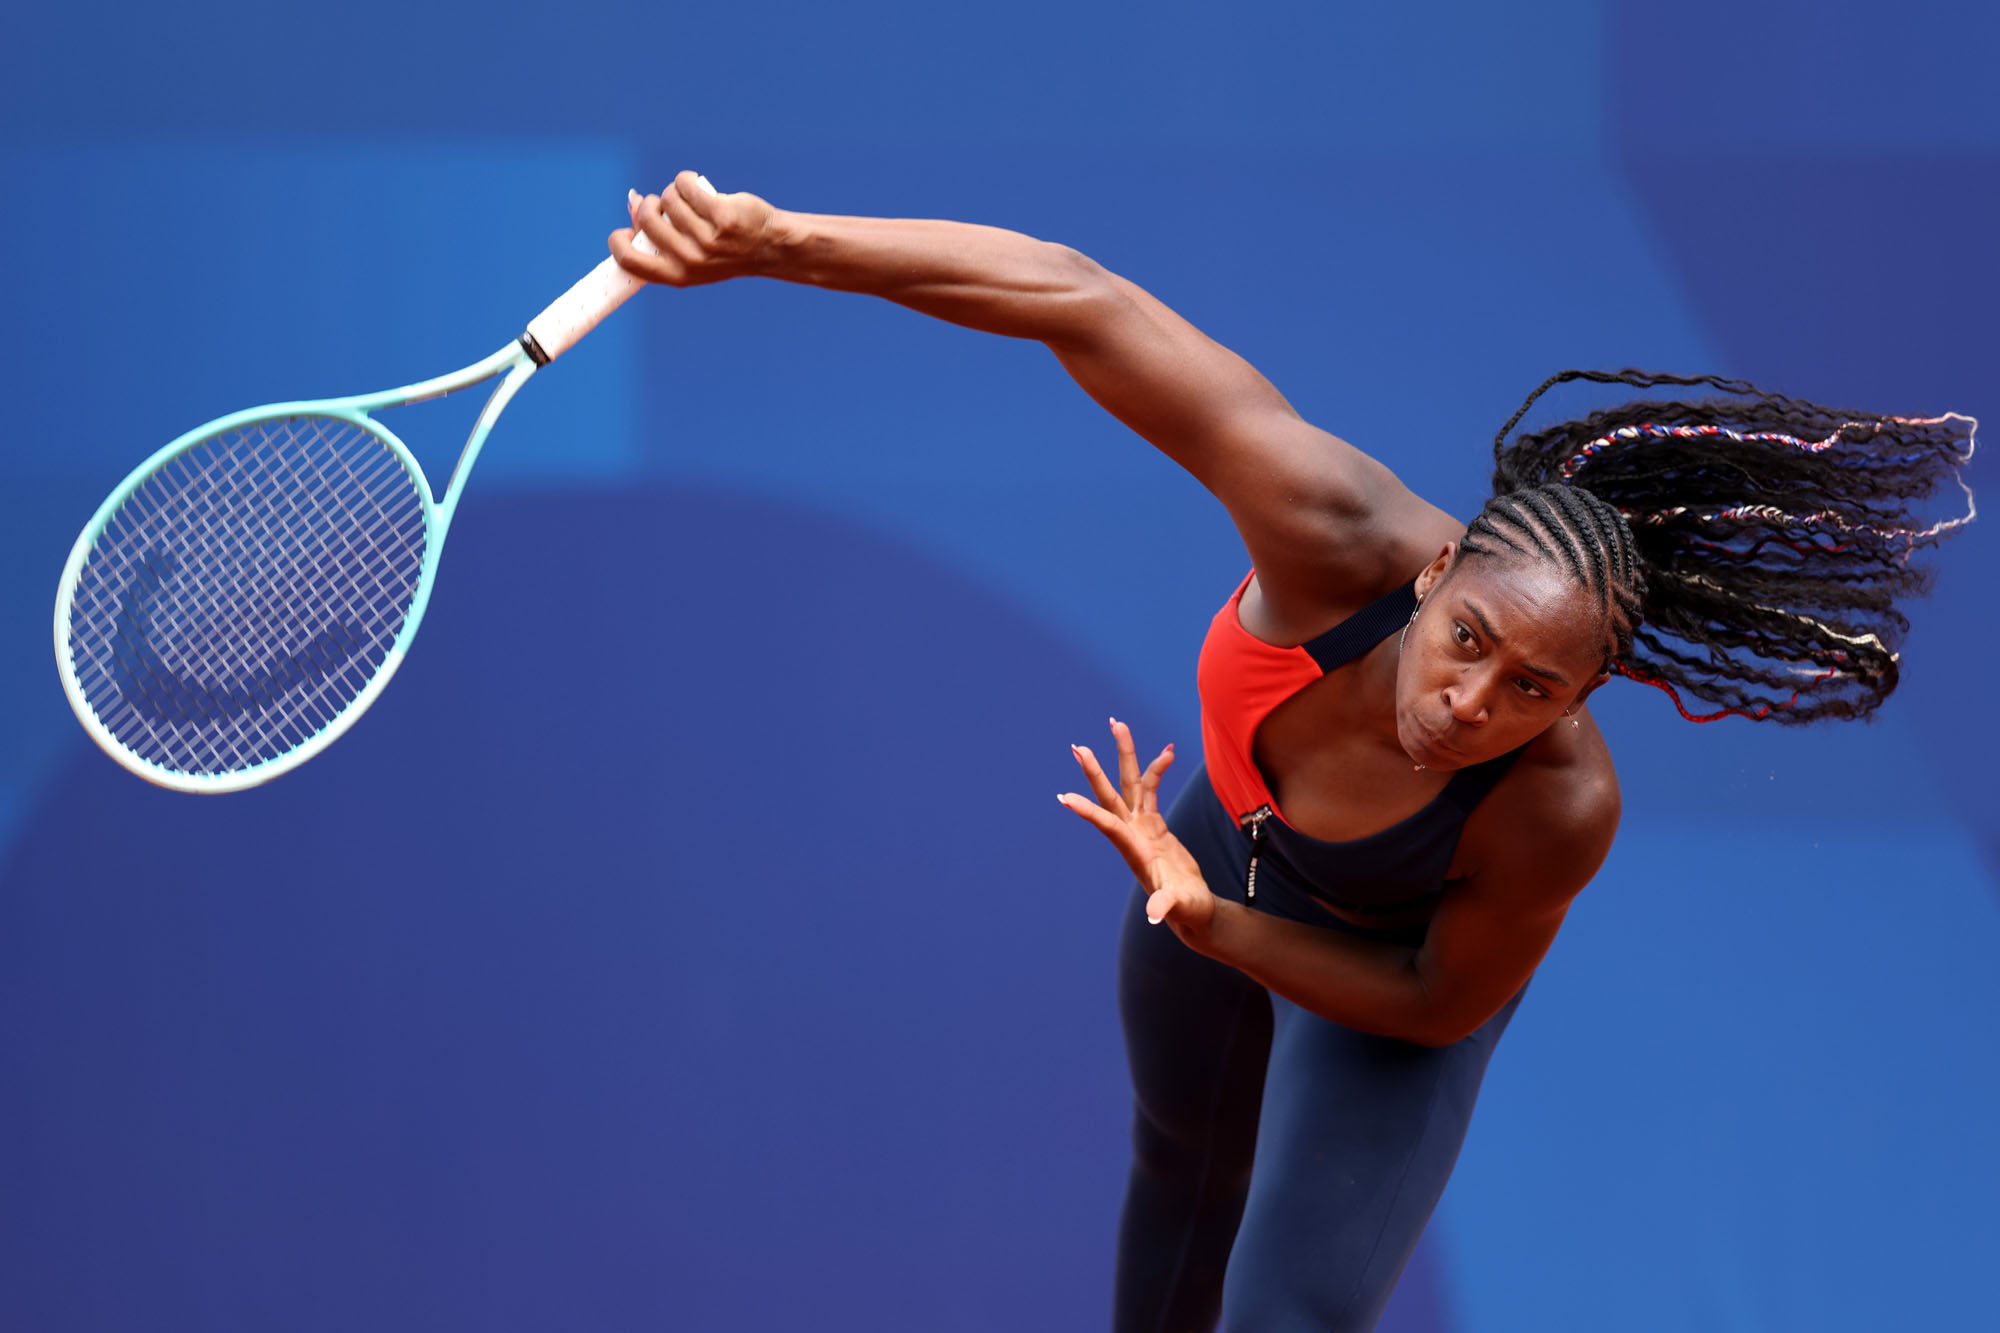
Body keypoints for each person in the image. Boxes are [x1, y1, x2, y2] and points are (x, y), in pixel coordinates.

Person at [609, 174, 1977, 1332]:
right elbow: (1079, 299)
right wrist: (776, 241)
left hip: (1393, 975)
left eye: (1533, 687)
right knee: (1181, 1164)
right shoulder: (1329, 527)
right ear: (1437, 570)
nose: (1472, 702)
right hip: (1215, 849)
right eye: (1470, 640)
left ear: (1589, 689)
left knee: (1287, 1317)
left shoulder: (1561, 806)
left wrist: (1222, 926)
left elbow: (1439, 997)